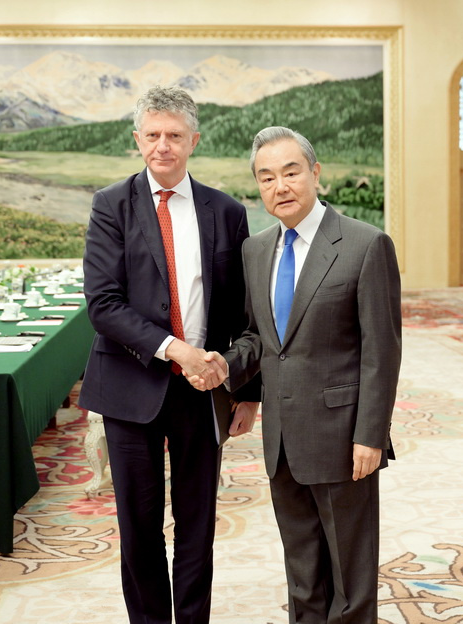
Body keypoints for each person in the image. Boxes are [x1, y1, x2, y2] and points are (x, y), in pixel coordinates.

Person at [188, 126, 402, 623]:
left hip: (343, 437)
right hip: (282, 439)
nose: (279, 186)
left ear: (315, 173)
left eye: (290, 172)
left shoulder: (365, 244)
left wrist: (370, 435)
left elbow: (382, 351)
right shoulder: (255, 250)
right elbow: (258, 337)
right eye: (267, 178)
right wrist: (224, 367)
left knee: (350, 577)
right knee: (303, 572)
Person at [79, 85, 260, 624]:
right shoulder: (111, 205)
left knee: (197, 527)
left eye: (175, 135)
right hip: (129, 387)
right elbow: (103, 304)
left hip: (203, 391)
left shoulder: (226, 211)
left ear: (193, 141)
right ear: (137, 139)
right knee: (138, 528)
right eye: (153, 135)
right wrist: (175, 349)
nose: (163, 145)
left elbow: (243, 311)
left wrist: (247, 393)